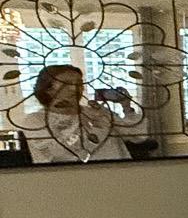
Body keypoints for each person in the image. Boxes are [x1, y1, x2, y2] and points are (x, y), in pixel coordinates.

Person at [14, 63, 142, 163]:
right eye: (67, 83)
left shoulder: (96, 112)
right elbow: (60, 154)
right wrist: (89, 124)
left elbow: (138, 136)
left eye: (79, 83)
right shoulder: (35, 120)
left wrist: (126, 106)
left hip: (120, 177)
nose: (75, 88)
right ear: (48, 89)